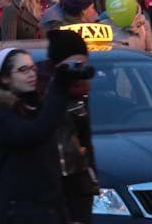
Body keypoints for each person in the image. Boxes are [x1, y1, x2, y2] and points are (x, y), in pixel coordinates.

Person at [0, 48, 74, 224]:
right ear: (5, 78)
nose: (31, 74)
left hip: (46, 210)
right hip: (13, 212)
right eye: (23, 70)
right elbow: (36, 132)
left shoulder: (34, 107)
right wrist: (58, 89)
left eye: (33, 68)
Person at [40, 30, 98, 224]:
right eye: (75, 65)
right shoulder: (43, 90)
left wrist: (91, 176)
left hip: (79, 184)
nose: (79, 71)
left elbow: (86, 141)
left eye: (83, 64)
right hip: (51, 186)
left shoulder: (81, 95)